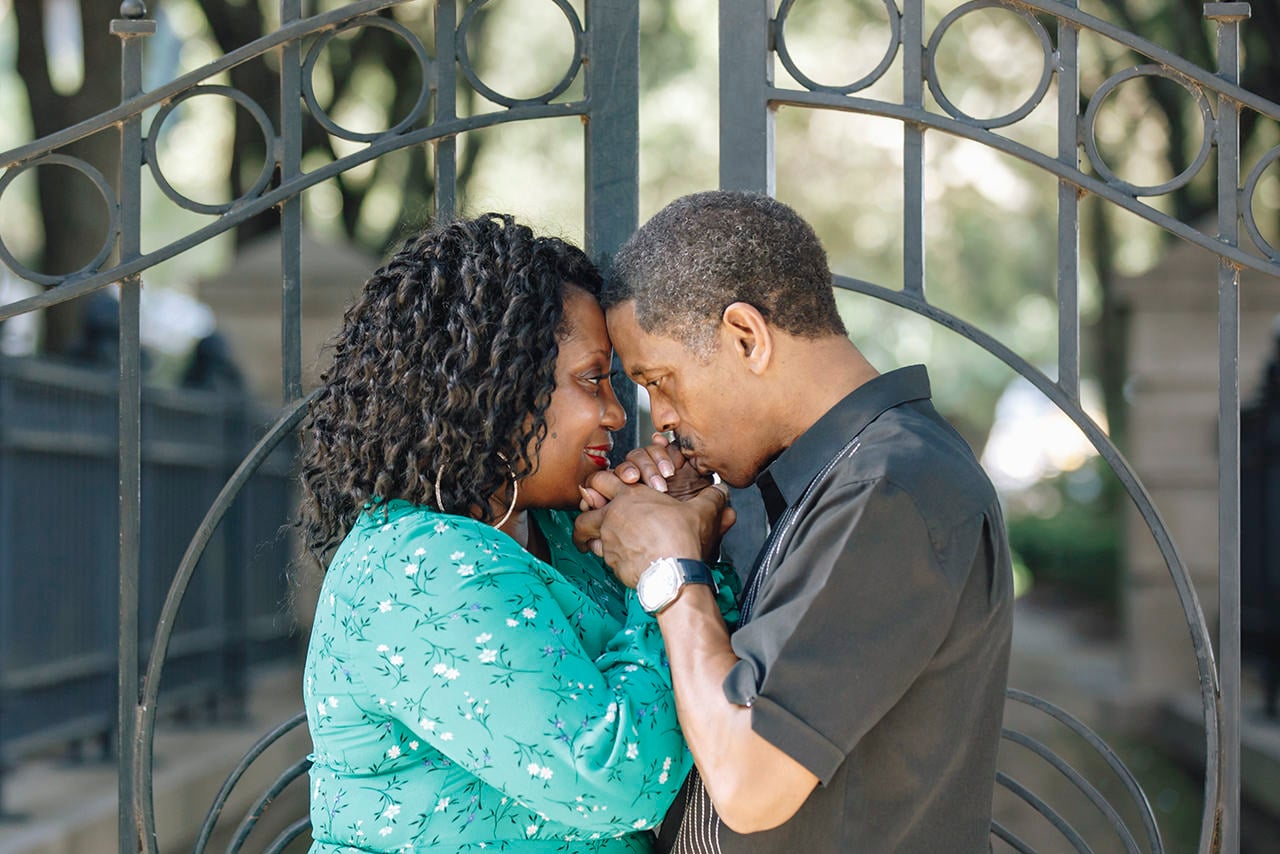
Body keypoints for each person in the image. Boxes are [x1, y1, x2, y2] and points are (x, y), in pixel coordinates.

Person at [574, 190, 1014, 853]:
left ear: (745, 337)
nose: (658, 417)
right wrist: (688, 531)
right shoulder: (795, 486)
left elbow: (750, 784)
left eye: (659, 380)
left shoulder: (892, 491)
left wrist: (670, 573)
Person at [298, 214, 734, 853]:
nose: (617, 414)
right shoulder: (418, 566)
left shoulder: (562, 530)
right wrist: (670, 567)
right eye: (593, 380)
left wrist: (673, 512)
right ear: (494, 384)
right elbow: (614, 782)